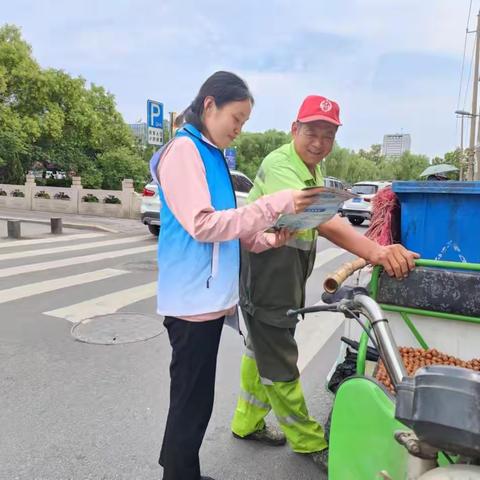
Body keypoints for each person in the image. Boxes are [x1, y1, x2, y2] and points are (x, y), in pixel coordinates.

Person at [150, 72, 325, 480]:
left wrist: (267, 239)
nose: (239, 129)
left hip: (208, 300)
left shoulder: (210, 153)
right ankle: (178, 475)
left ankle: (181, 471)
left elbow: (230, 231)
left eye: (244, 122)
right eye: (237, 118)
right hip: (190, 300)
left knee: (194, 401)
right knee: (190, 402)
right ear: (209, 105)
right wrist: (272, 204)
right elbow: (203, 225)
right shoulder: (184, 151)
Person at [230, 95, 420, 471]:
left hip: (285, 266)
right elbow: (324, 220)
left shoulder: (311, 168)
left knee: (262, 344)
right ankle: (308, 440)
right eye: (312, 132)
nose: (319, 142)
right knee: (279, 353)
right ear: (294, 129)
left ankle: (246, 420)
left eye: (328, 135)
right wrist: (377, 252)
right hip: (268, 267)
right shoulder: (281, 163)